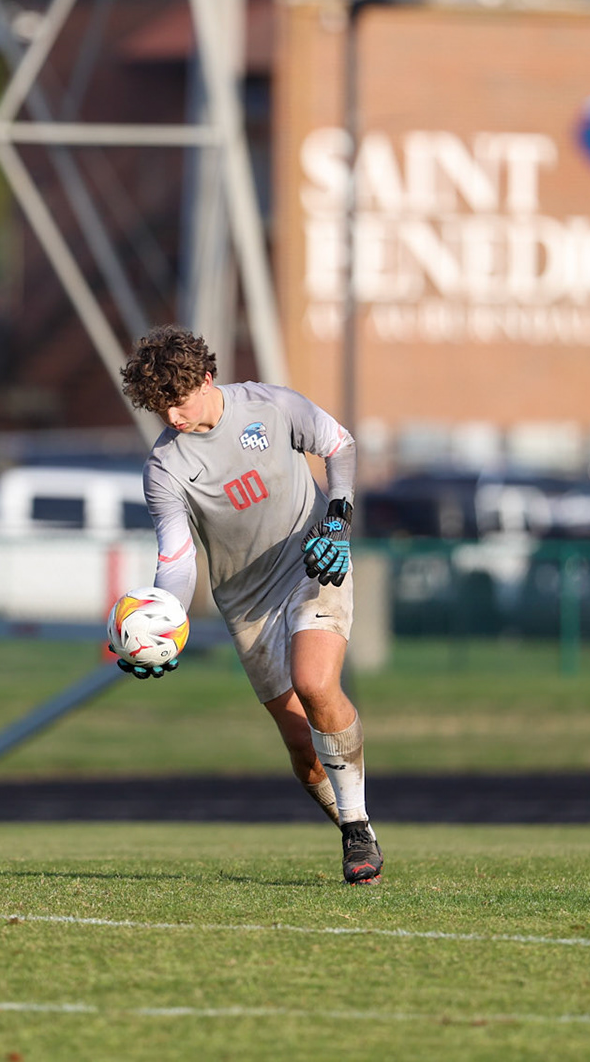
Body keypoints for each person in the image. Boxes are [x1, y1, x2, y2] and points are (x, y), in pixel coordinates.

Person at [119, 326, 382, 884]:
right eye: (159, 407)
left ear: (207, 379)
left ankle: (357, 833)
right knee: (300, 746)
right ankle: (355, 827)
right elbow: (178, 554)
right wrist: (166, 621)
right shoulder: (165, 469)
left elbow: (340, 446)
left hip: (314, 561)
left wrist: (338, 519)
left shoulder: (272, 405)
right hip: (245, 601)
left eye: (179, 401)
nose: (172, 417)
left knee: (315, 684)